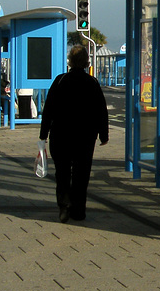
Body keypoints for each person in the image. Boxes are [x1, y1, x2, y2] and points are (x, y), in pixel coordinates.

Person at [39, 45, 109, 223]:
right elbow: (101, 110)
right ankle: (79, 210)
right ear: (86, 62)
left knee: (62, 172)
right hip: (85, 135)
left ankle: (64, 205)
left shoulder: (60, 81)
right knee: (81, 172)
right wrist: (103, 134)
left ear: (69, 61)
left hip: (60, 134)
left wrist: (43, 133)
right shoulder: (91, 83)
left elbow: (49, 109)